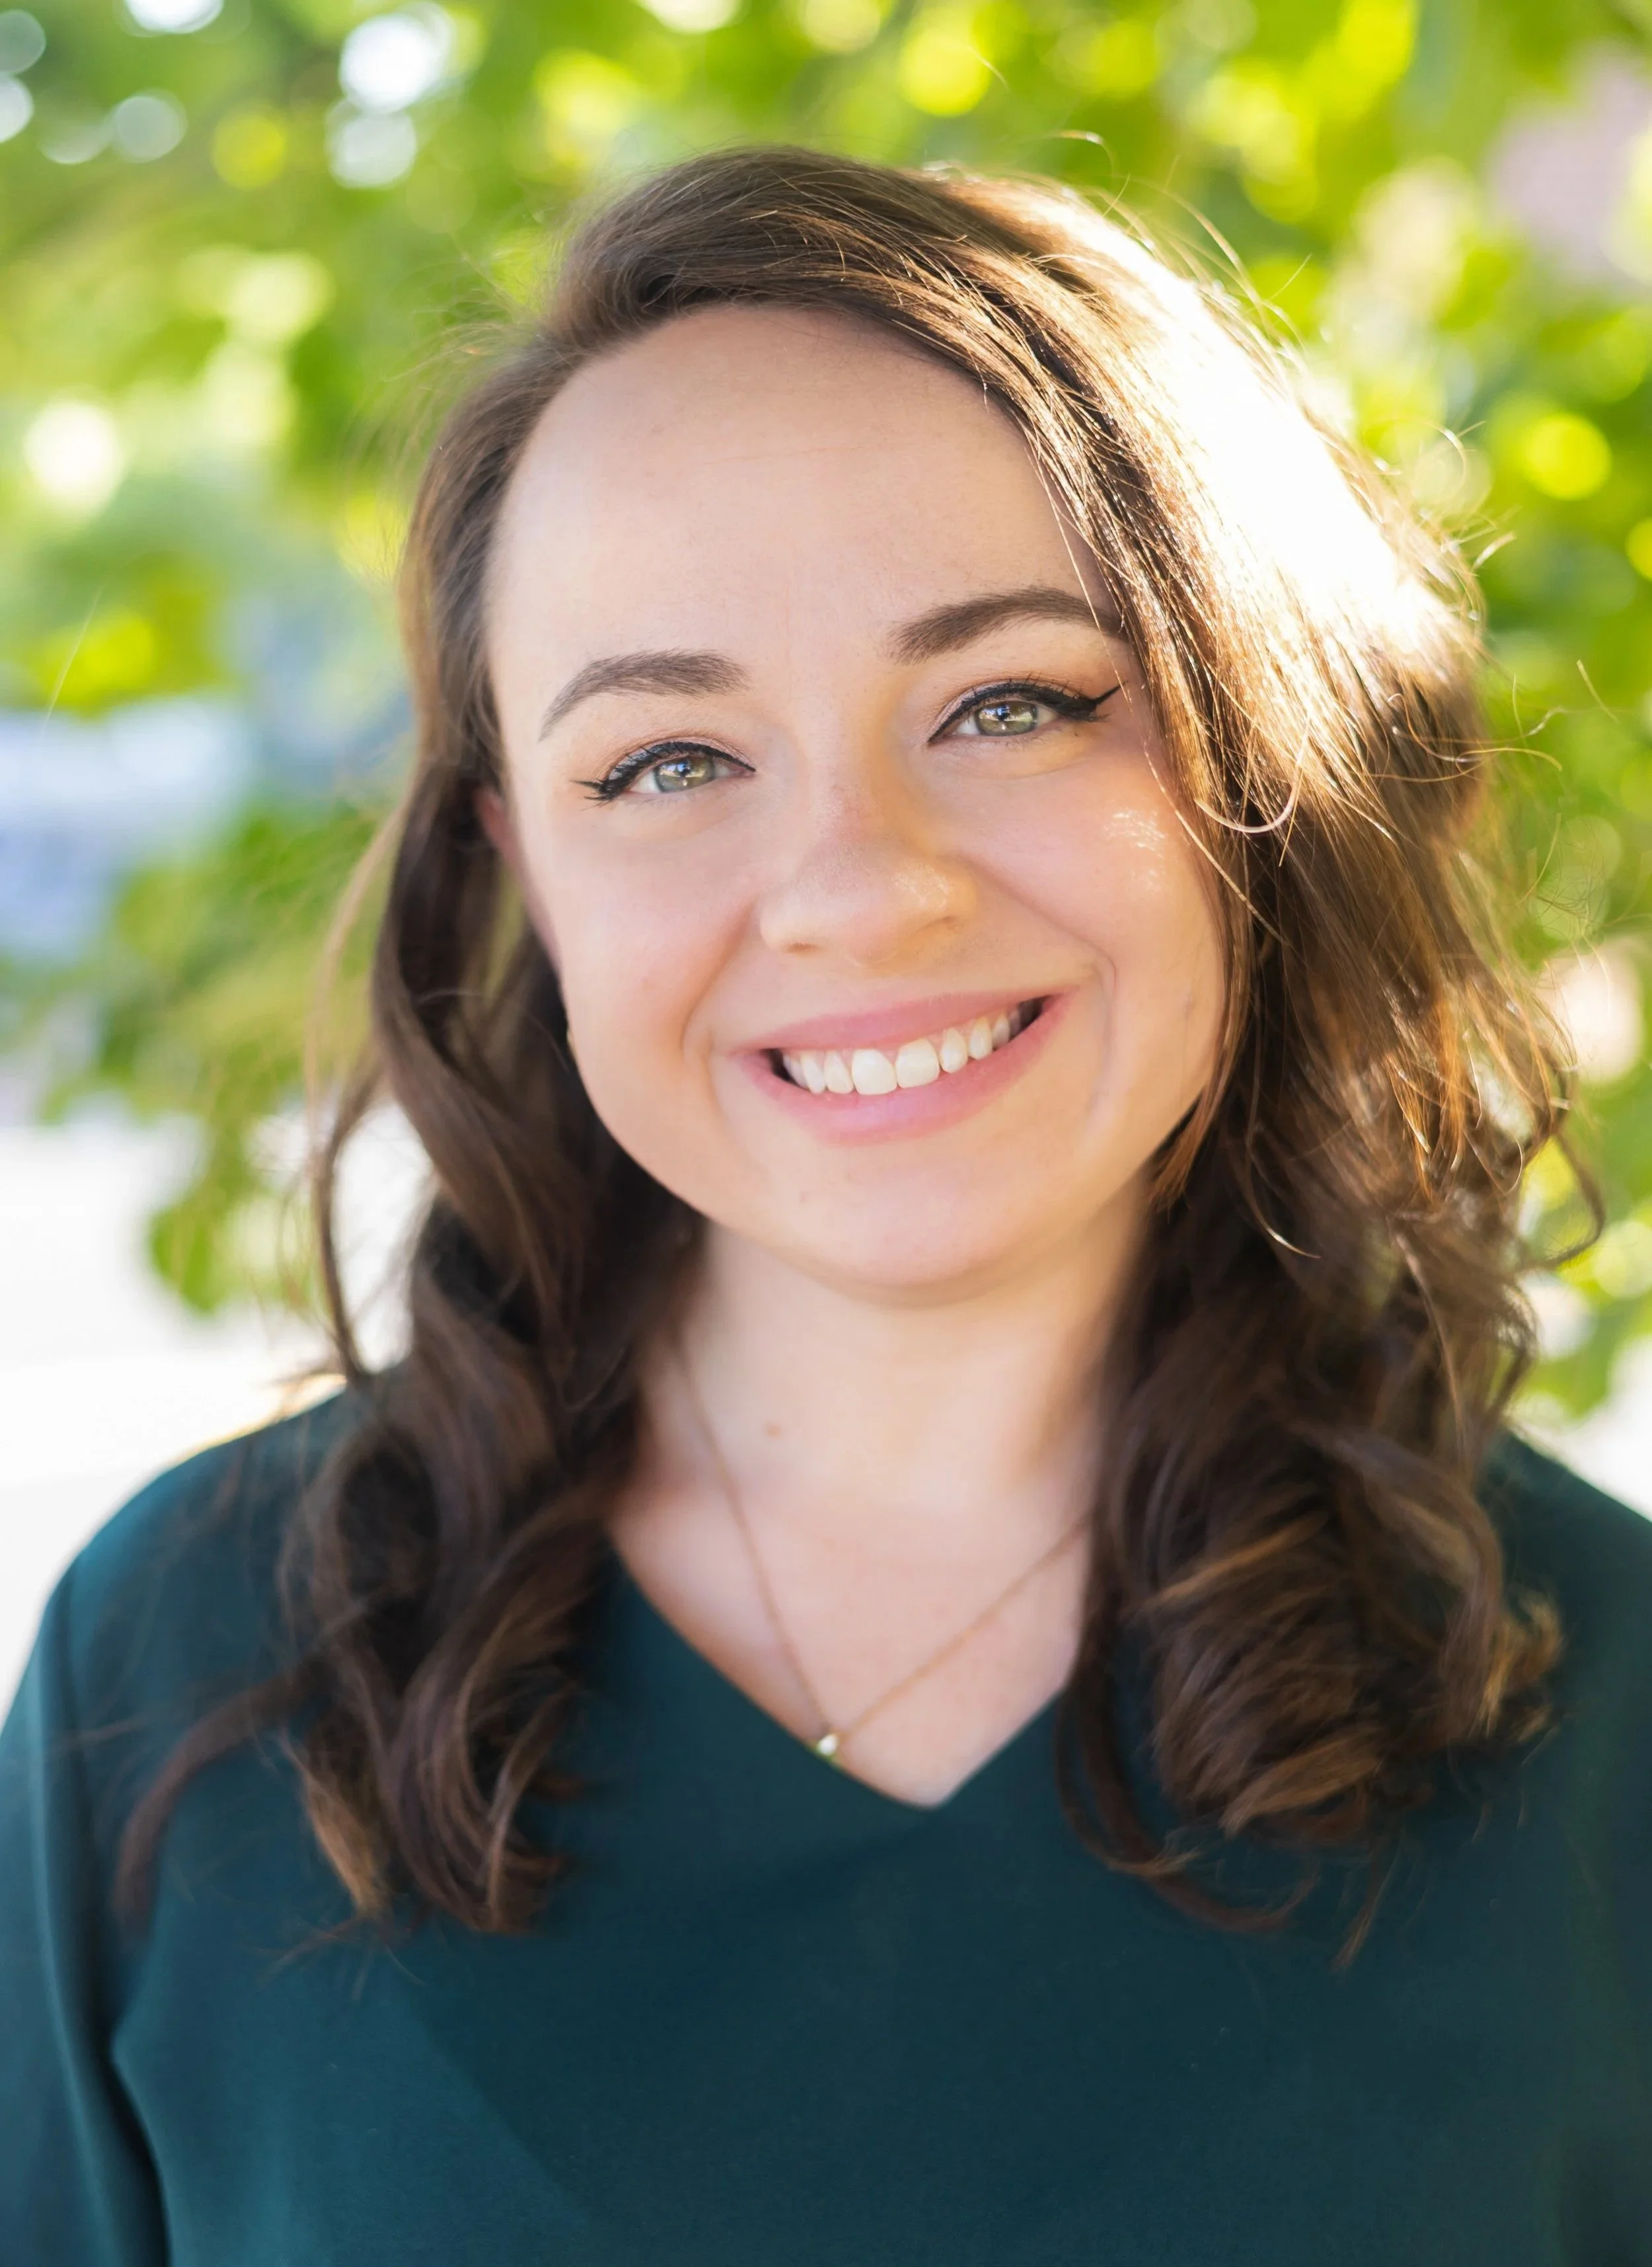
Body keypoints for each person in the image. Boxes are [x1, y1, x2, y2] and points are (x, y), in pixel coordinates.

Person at [2, 144, 1648, 2266]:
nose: (861, 884)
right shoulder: (189, 1666)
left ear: (1265, 765)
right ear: (521, 862)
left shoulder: (1602, 1713)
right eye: (670, 758)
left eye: (1013, 702)